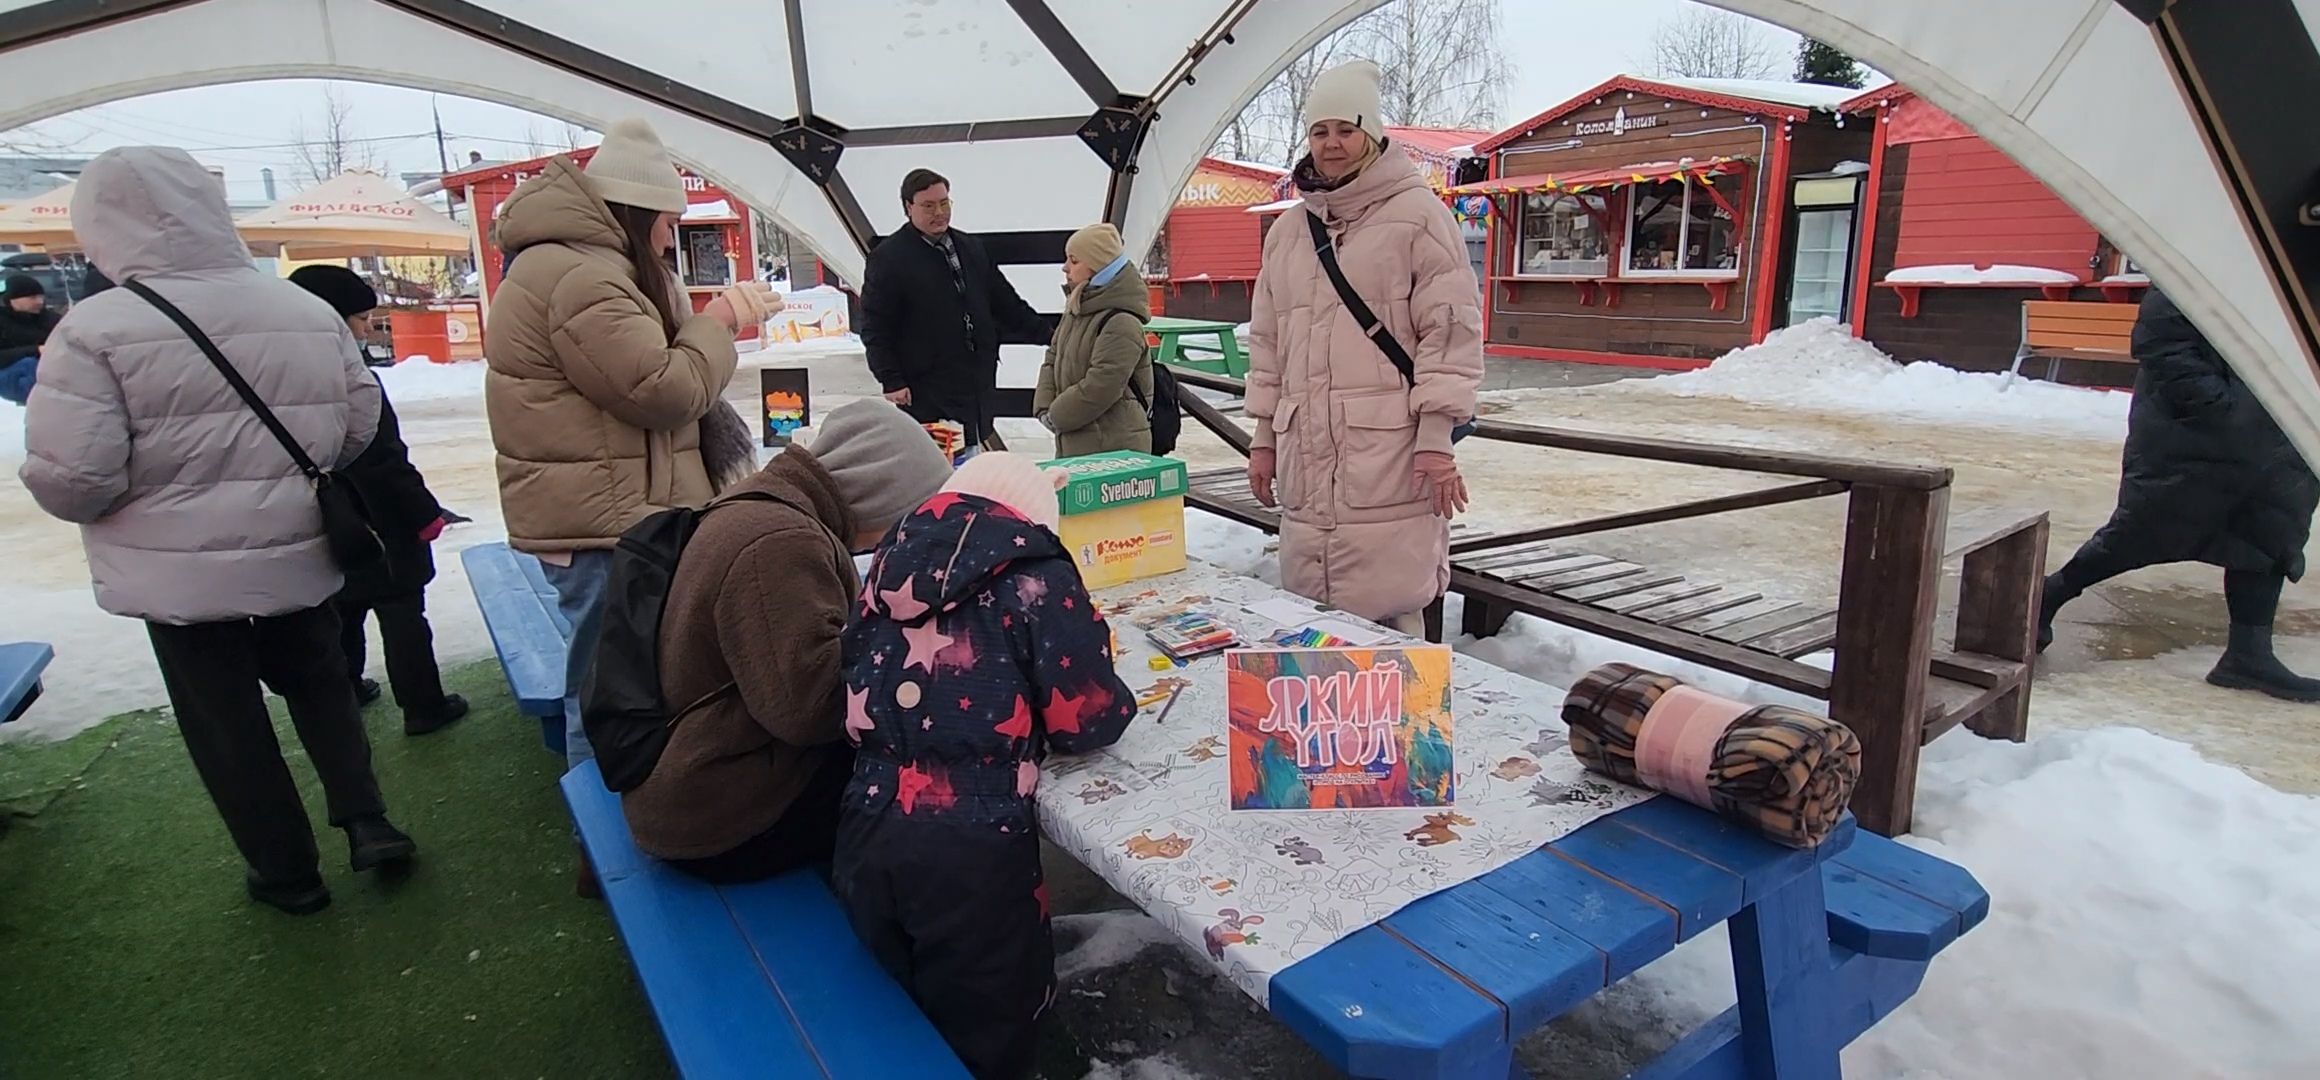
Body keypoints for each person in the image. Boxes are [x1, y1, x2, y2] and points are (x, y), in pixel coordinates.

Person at [17, 146, 409, 916]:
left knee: (227, 727)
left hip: (177, 581)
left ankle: (287, 872)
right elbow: (361, 421)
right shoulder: (303, 310)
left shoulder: (94, 329)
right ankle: (368, 820)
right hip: (300, 550)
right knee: (324, 689)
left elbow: (76, 479)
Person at [483, 116, 781, 801]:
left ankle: (628, 814)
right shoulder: (579, 278)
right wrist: (721, 321)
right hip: (603, 526)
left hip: (612, 513)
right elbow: (664, 389)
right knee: (605, 688)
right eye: (668, 224)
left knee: (624, 677)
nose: (671, 238)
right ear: (637, 212)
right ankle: (607, 838)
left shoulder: (579, 266)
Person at [835, 451, 1136, 1079]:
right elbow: (1088, 719)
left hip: (865, 818)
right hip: (976, 849)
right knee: (993, 1016)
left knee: (896, 997)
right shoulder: (1036, 576)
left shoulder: (888, 565)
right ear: (1031, 519)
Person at [622, 399, 953, 883]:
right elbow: (812, 709)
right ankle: (915, 939)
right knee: (932, 785)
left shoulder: (767, 506)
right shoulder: (779, 544)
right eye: (910, 517)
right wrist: (921, 651)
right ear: (879, 495)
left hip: (697, 776)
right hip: (715, 817)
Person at [1243, 60, 1484, 637]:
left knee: (1394, 614)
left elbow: (1450, 335)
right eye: (1319, 131)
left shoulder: (1419, 216)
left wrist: (1435, 443)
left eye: (1346, 130)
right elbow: (1268, 342)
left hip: (1390, 456)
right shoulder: (1288, 232)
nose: (1332, 145)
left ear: (1372, 134)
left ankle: (1404, 724)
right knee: (1315, 627)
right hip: (1306, 455)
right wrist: (1262, 439)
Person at [2040, 289, 2320, 701]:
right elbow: (2162, 340)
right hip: (2192, 431)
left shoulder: (2291, 261)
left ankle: (2248, 655)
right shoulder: (2199, 256)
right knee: (2147, 528)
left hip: (2277, 431)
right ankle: (2049, 595)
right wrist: (2226, 410)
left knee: (2269, 529)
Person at [288, 265, 469, 735]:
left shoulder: (279, 372)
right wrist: (424, 513)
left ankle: (347, 687)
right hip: (380, 519)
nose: (367, 326)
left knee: (341, 609)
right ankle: (423, 704)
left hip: (323, 519)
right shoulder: (352, 378)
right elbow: (385, 457)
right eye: (360, 317)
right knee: (402, 610)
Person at [860, 168, 1052, 449]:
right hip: (926, 385)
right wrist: (890, 378)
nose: (939, 212)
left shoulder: (971, 247)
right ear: (908, 207)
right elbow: (876, 326)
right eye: (928, 206)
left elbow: (1006, 303)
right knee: (939, 459)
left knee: (972, 449)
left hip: (975, 379)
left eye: (944, 203)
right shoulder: (889, 259)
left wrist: (1048, 334)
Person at [1033, 223, 1154, 457]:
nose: (1065, 268)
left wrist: (1057, 415)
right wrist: (1044, 407)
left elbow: (1103, 383)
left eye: (1074, 261)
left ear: (1098, 266)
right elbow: (1053, 357)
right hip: (1079, 439)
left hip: (1114, 448)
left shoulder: (1120, 321)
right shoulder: (1078, 309)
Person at [1, 274, 63, 405]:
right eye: (32, 297)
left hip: (50, 370)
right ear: (12, 300)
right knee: (29, 365)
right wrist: (36, 350)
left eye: (41, 296)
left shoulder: (49, 318)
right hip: (11, 373)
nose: (39, 301)